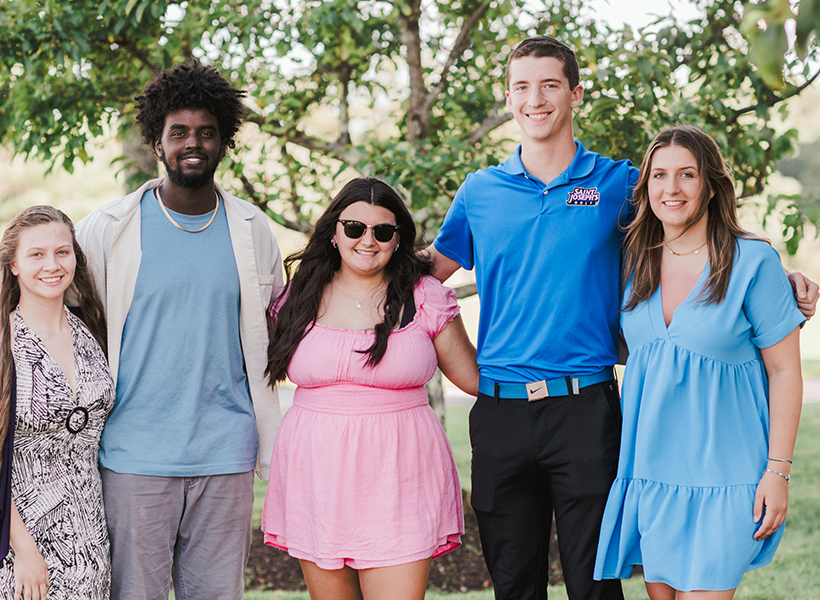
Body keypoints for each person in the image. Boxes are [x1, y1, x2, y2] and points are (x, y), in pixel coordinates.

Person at [425, 36, 818, 600]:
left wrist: (775, 277)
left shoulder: (619, 184)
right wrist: (337, 269)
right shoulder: (480, 192)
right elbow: (422, 276)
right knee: (513, 585)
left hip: (587, 409)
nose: (534, 99)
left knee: (596, 586)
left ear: (575, 94)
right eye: (521, 87)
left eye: (549, 85)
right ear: (507, 99)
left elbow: (687, 224)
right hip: (500, 414)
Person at [0, 61, 284, 600]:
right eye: (178, 132)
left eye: (206, 132)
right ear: (157, 141)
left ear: (225, 141)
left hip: (226, 457)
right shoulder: (109, 230)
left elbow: (272, 332)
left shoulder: (252, 230)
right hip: (132, 457)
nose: (192, 143)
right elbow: (44, 307)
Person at [593, 125, 804, 599]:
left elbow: (786, 371)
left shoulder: (752, 262)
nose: (672, 189)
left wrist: (778, 470)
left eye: (687, 174)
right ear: (645, 188)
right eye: (659, 176)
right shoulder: (633, 262)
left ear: (710, 184)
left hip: (726, 478)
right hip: (651, 475)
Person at [261, 177, 479, 599]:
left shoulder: (425, 296)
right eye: (355, 228)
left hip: (402, 473)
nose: (368, 240)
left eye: (383, 231)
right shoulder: (296, 297)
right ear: (334, 232)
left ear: (398, 239)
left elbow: (472, 378)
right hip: (316, 473)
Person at [0, 206, 113, 600]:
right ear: (13, 265)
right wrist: (26, 552)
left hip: (87, 535)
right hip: (12, 542)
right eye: (36, 254)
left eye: (62, 252)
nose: (52, 264)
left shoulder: (94, 331)